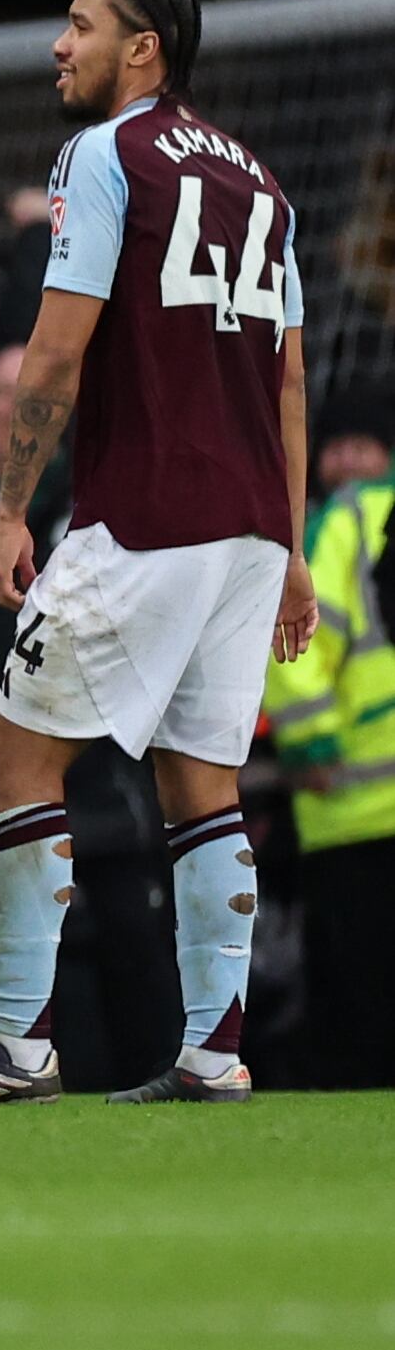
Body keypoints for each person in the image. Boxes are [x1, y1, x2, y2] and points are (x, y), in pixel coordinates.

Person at [0, 0, 317, 1106]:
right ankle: (212, 1052)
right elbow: (286, 379)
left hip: (146, 512)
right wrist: (292, 543)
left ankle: (14, 1044)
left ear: (142, 51)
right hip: (243, 529)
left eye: (77, 26)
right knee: (200, 783)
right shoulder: (260, 184)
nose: (56, 45)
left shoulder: (102, 155)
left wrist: (11, 505)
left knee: (9, 761)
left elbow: (57, 345)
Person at [267, 396, 395, 1086]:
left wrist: (310, 742)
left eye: (359, 445)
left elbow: (293, 640)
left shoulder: (334, 523)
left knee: (357, 1001)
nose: (345, 460)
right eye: (334, 446)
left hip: (349, 798)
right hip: (360, 802)